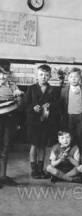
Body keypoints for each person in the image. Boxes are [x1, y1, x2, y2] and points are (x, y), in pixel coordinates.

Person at [25, 64, 57, 179]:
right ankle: (34, 170)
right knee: (34, 145)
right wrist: (33, 108)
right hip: (33, 122)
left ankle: (40, 169)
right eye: (41, 75)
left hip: (46, 122)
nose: (44, 77)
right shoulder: (31, 88)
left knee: (42, 146)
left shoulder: (52, 89)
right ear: (36, 76)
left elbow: (57, 105)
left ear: (50, 77)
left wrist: (50, 105)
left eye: (46, 75)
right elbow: (25, 104)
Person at [0, 59, 24, 187]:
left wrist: (19, 96)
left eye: (5, 74)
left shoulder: (13, 86)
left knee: (5, 147)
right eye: (0, 73)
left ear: (9, 74)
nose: (2, 76)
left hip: (10, 120)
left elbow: (20, 106)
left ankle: (3, 176)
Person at [60, 67, 82, 152]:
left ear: (80, 78)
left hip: (80, 117)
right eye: (71, 77)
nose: (73, 79)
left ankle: (79, 156)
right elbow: (61, 105)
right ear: (68, 78)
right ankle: (69, 156)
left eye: (76, 77)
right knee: (69, 137)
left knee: (80, 137)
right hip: (69, 117)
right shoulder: (64, 90)